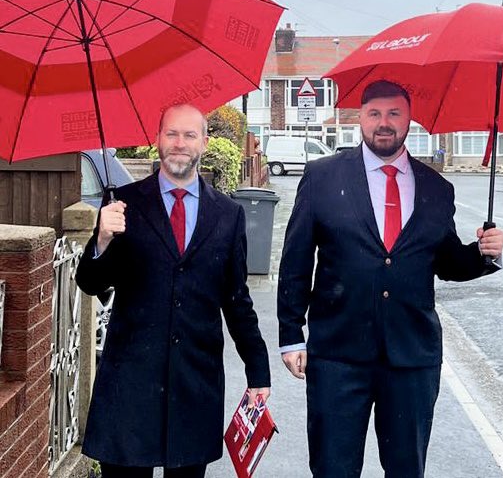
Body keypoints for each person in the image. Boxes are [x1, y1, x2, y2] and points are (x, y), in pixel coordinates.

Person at [277, 80, 503, 478]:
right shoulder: (322, 177)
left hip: (411, 358)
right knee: (332, 468)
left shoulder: (437, 187)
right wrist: (291, 333)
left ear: (409, 119)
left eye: (394, 113)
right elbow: (296, 260)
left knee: (406, 469)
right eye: (375, 113)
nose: (384, 123)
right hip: (337, 355)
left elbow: (446, 262)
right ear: (360, 118)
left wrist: (486, 253)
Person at [77, 104, 271, 478]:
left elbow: (237, 300)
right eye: (171, 134)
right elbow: (90, 283)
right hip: (130, 385)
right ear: (157, 139)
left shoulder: (228, 215)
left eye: (189, 135)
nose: (179, 144)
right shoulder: (123, 205)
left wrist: (258, 373)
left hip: (194, 385)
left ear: (204, 142)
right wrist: (101, 238)